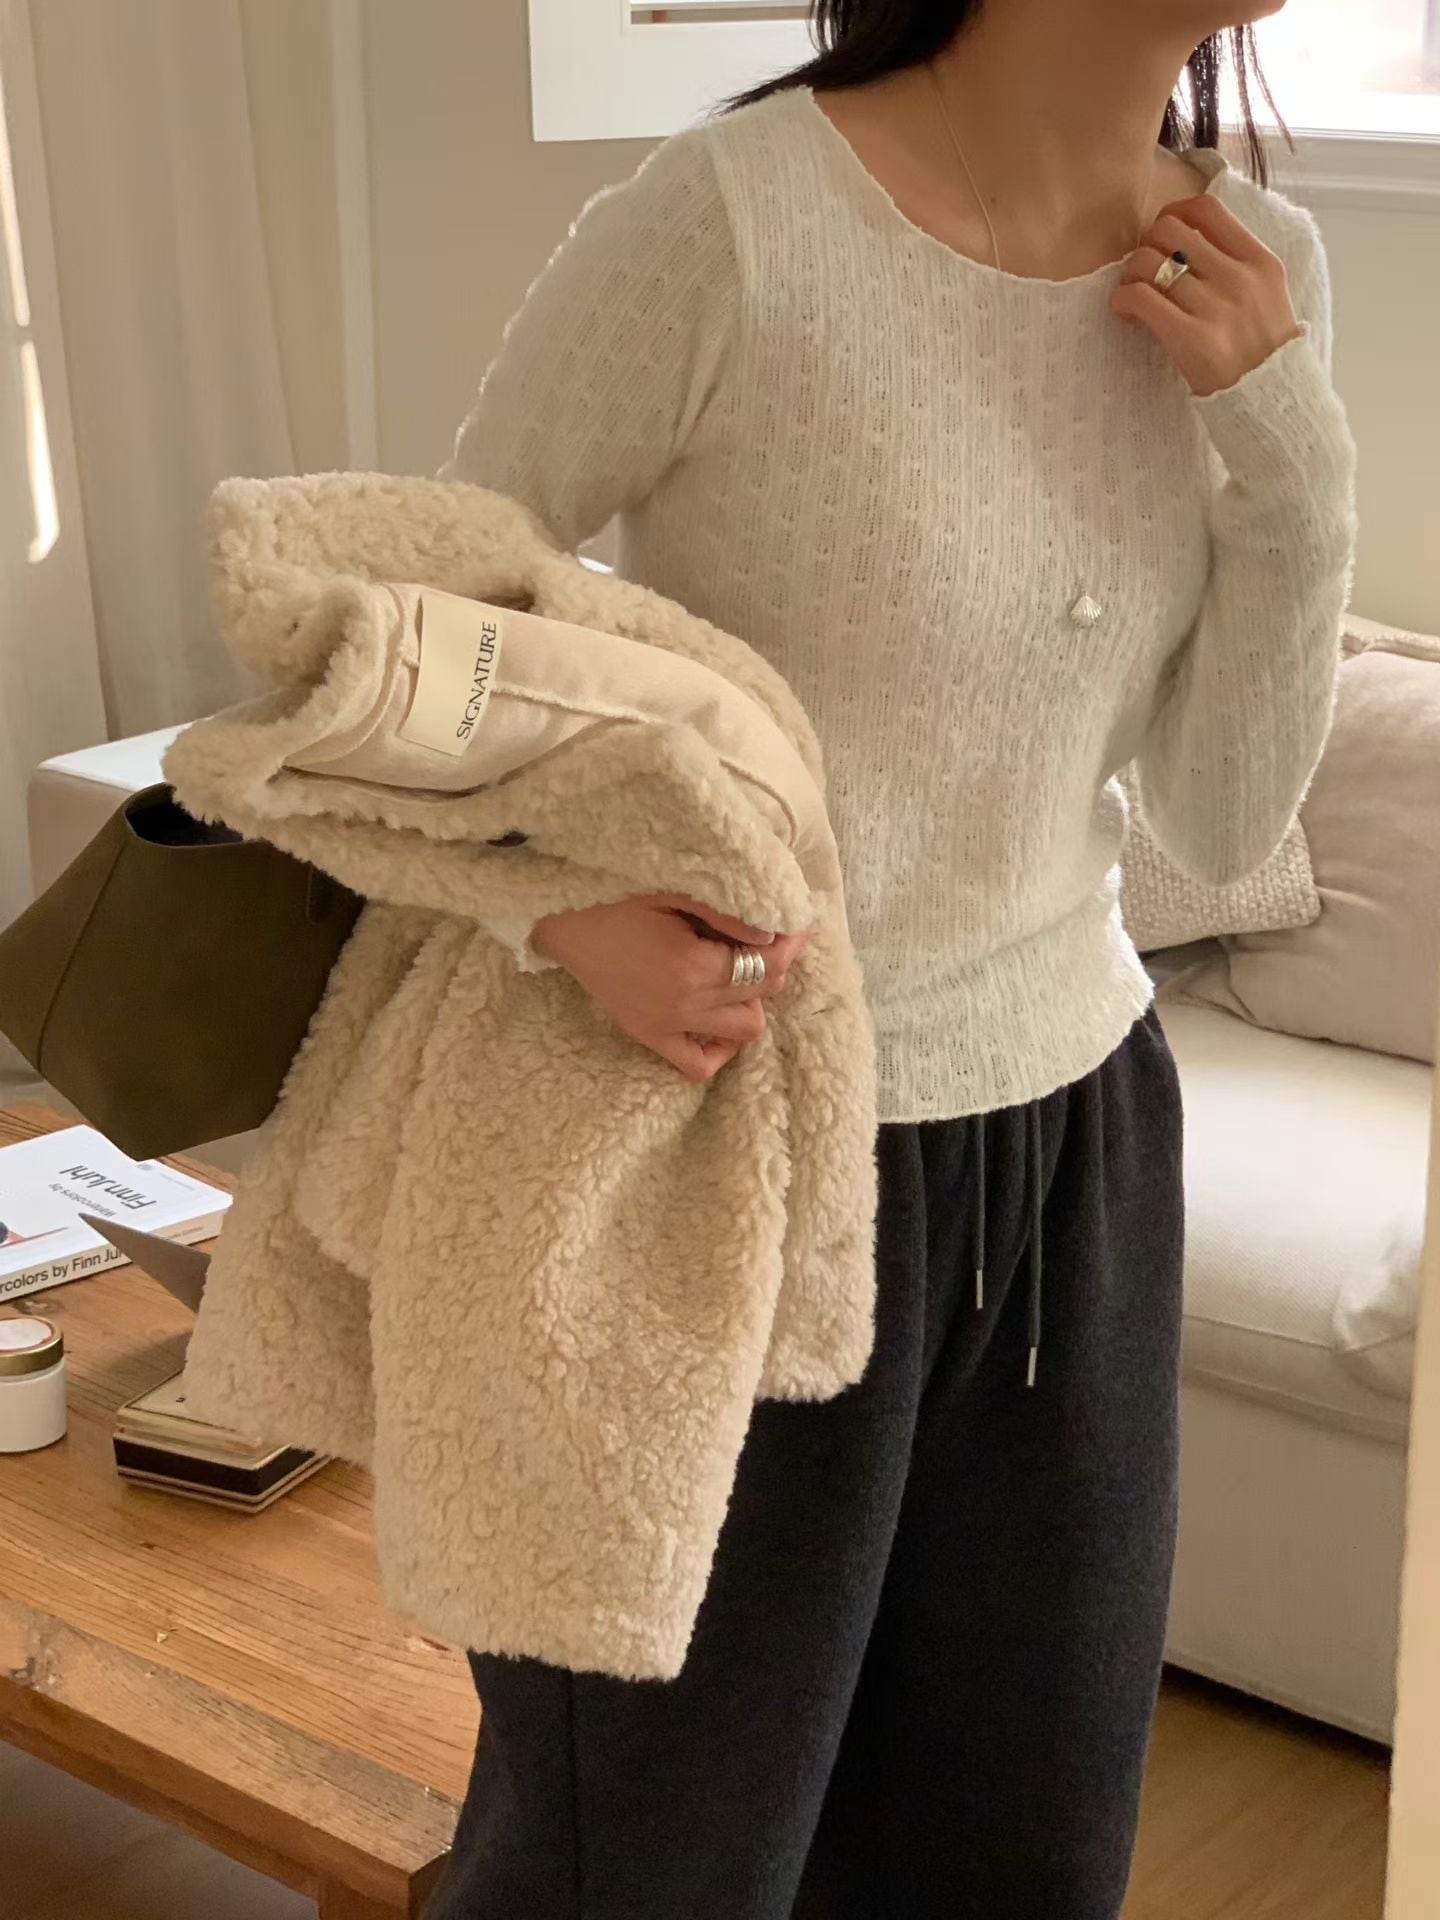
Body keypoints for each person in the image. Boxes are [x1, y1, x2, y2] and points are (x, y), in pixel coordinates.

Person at [428, 1, 1356, 1913]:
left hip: (1077, 1159)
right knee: (654, 1870)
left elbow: (1217, 817)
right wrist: (563, 911)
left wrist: (1293, 455)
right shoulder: (734, 220)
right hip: (731, 1154)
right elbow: (414, 635)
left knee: (1020, 1860)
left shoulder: (1254, 270)